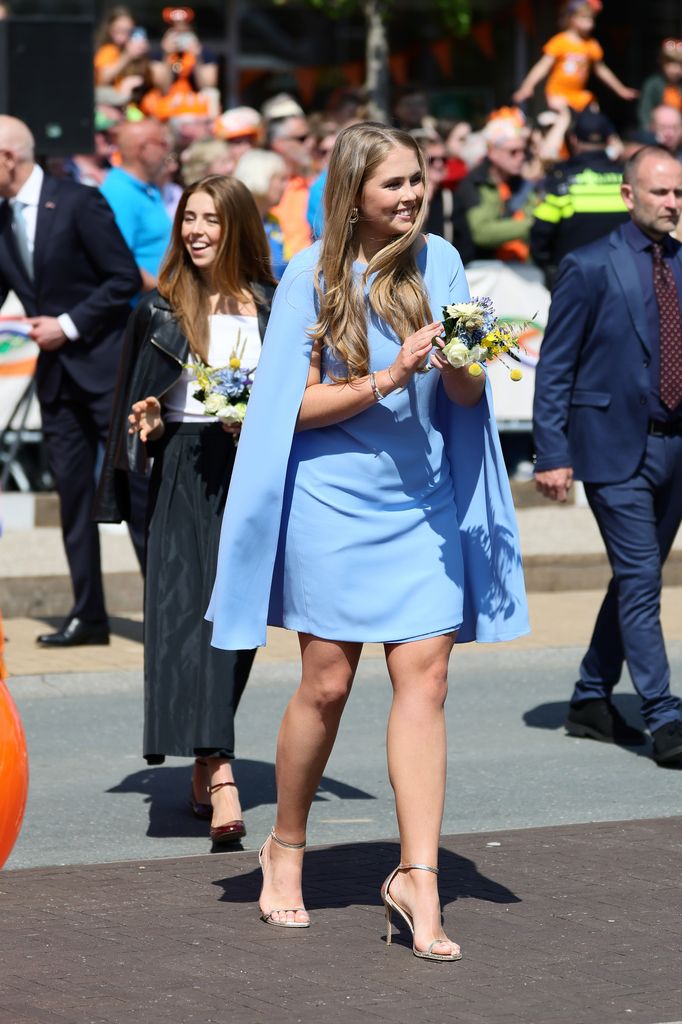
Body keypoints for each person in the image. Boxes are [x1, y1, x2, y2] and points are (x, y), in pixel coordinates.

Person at [207, 123, 528, 951]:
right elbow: (285, 410)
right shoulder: (309, 274)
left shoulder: (444, 262)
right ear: (354, 192)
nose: (412, 195)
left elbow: (461, 401)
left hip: (421, 498)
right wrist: (384, 376)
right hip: (332, 500)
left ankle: (418, 879)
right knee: (327, 680)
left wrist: (460, 360)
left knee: (427, 676)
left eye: (417, 180)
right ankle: (285, 846)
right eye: (394, 185)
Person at [94, 176, 275, 840]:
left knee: (242, 626)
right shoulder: (160, 308)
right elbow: (129, 406)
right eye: (189, 218)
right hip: (184, 468)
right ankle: (221, 769)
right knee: (195, 622)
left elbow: (296, 392)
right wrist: (148, 423)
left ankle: (204, 752)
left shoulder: (272, 305)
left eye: (211, 220)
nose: (196, 230)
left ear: (238, 229)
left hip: (253, 473)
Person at [533, 145, 682, 766]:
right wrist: (551, 452)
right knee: (644, 576)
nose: (671, 204)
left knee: (633, 578)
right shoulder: (588, 265)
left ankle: (590, 699)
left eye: (678, 193)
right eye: (659, 193)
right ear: (629, 196)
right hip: (612, 447)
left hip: (675, 447)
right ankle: (664, 714)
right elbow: (555, 366)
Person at [0, 115, 142, 646]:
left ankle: (169, 611)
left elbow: (123, 278)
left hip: (106, 372)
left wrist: (67, 324)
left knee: (133, 492)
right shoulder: (3, 218)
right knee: (72, 498)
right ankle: (89, 615)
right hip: (57, 381)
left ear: (9, 157)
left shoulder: (78, 202)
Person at [531, 108, 628, 289]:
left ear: (574, 140)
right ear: (608, 141)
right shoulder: (627, 178)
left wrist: (549, 265)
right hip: (622, 279)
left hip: (573, 279)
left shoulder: (561, 179)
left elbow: (541, 232)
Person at [512, 0, 638, 113]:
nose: (590, 23)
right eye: (585, 18)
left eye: (592, 19)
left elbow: (602, 70)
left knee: (593, 115)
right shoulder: (560, 42)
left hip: (578, 95)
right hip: (558, 94)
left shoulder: (591, 44)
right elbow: (543, 66)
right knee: (564, 118)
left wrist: (621, 89)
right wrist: (527, 86)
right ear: (572, 18)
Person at [451, 108, 536, 265]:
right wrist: (532, 225)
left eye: (523, 151)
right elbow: (482, 232)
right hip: (482, 272)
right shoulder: (474, 183)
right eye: (513, 152)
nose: (521, 157)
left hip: (522, 269)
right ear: (493, 152)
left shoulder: (521, 183)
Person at [101, 119, 173, 294]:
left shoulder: (147, 188)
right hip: (145, 310)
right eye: (162, 143)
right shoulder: (119, 193)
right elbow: (117, 260)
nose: (167, 150)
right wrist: (166, 293)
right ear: (143, 149)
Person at [233, 148, 289, 279]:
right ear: (261, 177)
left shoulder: (272, 221)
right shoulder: (236, 223)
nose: (286, 186)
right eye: (281, 179)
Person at [638, 38, 682, 131]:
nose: (676, 69)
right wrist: (648, 130)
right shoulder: (653, 84)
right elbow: (644, 112)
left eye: (680, 65)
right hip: (657, 132)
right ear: (662, 63)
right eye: (671, 63)